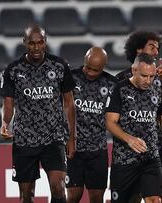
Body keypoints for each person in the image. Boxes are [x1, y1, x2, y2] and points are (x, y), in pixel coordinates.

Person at [0, 24, 76, 203]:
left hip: (54, 137)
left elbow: (69, 103)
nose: (36, 47)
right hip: (25, 139)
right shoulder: (12, 70)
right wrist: (4, 123)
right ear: (24, 42)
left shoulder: (59, 65)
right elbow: (8, 104)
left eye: (40, 42)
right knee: (26, 196)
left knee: (58, 187)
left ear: (45, 42)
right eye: (32, 43)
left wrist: (71, 138)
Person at [105, 53, 162, 203]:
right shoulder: (120, 89)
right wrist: (129, 139)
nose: (148, 80)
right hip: (125, 160)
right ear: (134, 70)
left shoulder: (155, 91)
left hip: (151, 158)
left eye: (152, 76)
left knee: (154, 199)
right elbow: (110, 122)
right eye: (144, 76)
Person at [116, 31, 162, 203]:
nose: (156, 51)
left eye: (157, 48)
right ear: (139, 50)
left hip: (158, 142)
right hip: (131, 147)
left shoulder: (158, 76)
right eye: (152, 47)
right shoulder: (121, 80)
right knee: (135, 195)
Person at [66, 47, 117, 203]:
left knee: (96, 198)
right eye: (87, 67)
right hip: (74, 149)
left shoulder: (111, 84)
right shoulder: (70, 78)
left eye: (95, 70)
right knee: (73, 196)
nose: (89, 72)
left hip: (97, 150)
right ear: (84, 61)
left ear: (103, 68)